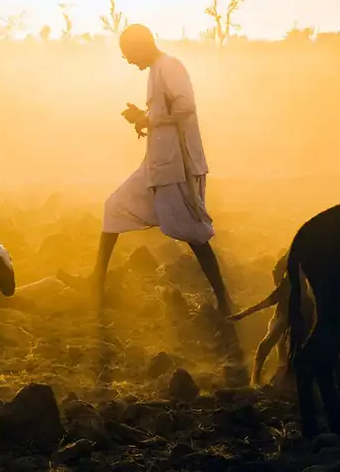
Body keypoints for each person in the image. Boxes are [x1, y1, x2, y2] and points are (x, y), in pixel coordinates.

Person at [59, 24, 236, 320]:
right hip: (156, 165)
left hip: (176, 167)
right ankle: (95, 283)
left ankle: (224, 299)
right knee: (114, 208)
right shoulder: (157, 70)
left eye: (128, 54)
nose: (129, 61)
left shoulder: (169, 66)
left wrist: (149, 117)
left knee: (194, 234)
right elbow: (162, 117)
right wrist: (142, 119)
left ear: (141, 46)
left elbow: (186, 106)